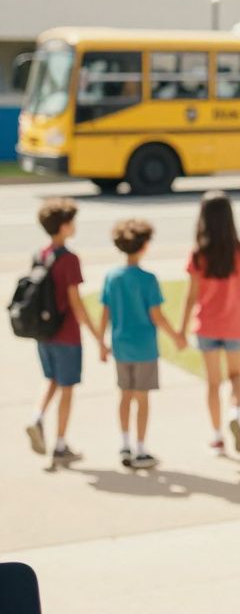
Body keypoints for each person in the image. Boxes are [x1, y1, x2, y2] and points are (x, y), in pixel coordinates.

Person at [24, 198, 107, 465]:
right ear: (63, 226)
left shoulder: (41, 254)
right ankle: (60, 444)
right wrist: (99, 339)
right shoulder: (69, 259)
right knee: (67, 388)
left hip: (43, 332)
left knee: (50, 379)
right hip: (66, 334)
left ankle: (36, 418)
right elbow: (77, 304)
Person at [98, 219, 186, 469]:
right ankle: (141, 448)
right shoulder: (148, 279)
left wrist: (101, 343)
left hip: (121, 346)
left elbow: (105, 313)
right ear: (145, 245)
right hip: (144, 347)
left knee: (124, 396)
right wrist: (176, 337)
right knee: (142, 398)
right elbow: (156, 316)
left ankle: (124, 444)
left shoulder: (111, 277)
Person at [180, 191, 240, 455]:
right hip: (235, 325)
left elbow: (190, 297)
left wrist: (180, 330)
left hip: (207, 326)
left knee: (213, 383)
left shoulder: (198, 255)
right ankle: (234, 412)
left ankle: (217, 437)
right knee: (235, 376)